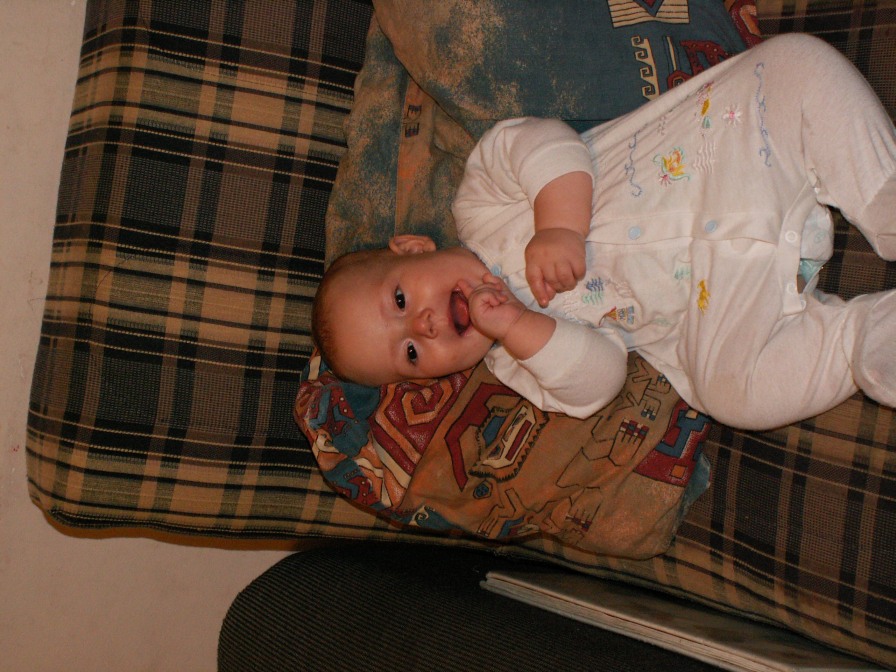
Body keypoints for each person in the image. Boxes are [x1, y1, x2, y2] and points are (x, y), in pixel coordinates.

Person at [312, 34, 896, 430]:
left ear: (412, 248)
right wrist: (520, 327)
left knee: (795, 68)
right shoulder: (519, 364)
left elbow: (544, 143)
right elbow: (601, 379)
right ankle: (866, 340)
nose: (424, 324)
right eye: (412, 353)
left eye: (399, 300)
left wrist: (558, 225)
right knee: (733, 395)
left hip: (731, 147)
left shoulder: (481, 203)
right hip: (721, 299)